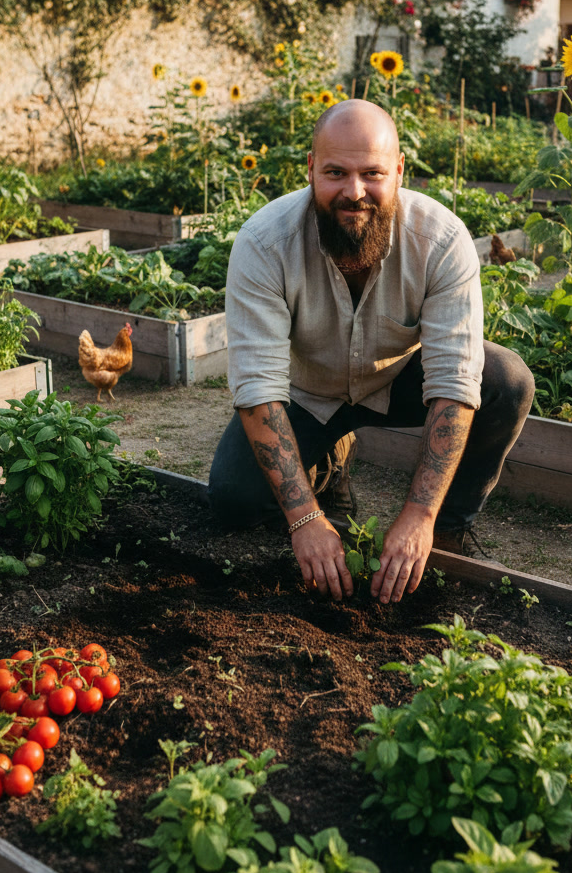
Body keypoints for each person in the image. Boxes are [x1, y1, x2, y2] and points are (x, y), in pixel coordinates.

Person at [208, 99, 534, 604]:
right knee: (233, 499)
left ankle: (449, 530)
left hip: (396, 379)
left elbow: (454, 381)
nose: (353, 192)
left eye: (373, 173)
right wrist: (305, 519)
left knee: (505, 380)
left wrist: (419, 517)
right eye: (336, 172)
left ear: (399, 172)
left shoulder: (440, 240)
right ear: (312, 169)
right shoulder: (265, 242)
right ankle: (330, 462)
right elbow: (258, 387)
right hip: (306, 391)